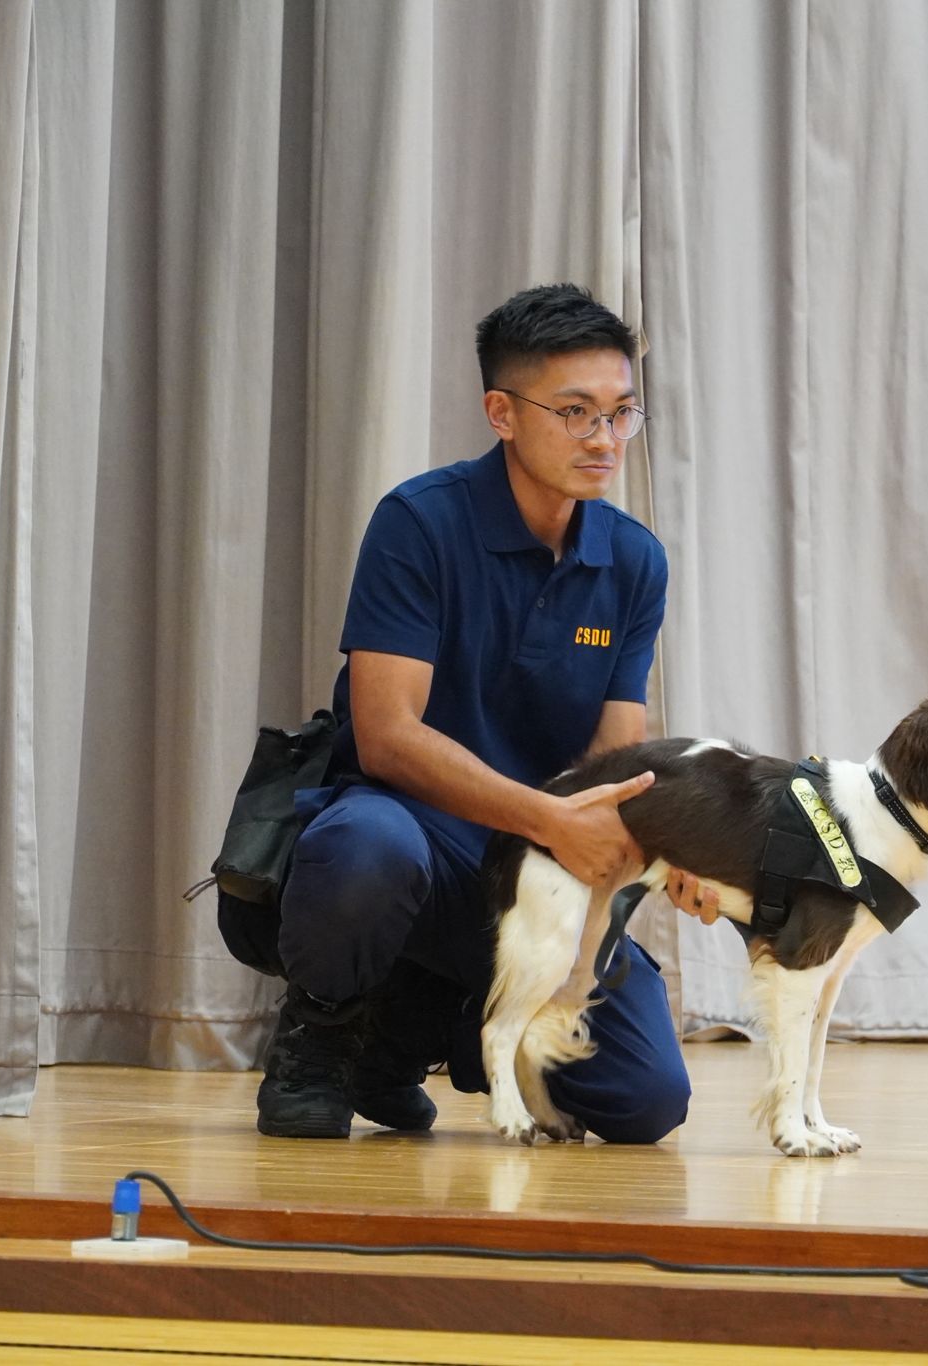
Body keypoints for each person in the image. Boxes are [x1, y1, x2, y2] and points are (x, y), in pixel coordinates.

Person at [260, 283, 712, 1143]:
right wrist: (548, 817)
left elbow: (617, 760)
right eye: (575, 412)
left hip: (536, 867)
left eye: (621, 413)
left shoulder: (634, 562)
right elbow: (387, 737)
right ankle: (323, 1040)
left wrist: (675, 844)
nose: (604, 439)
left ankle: (419, 1029)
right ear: (502, 413)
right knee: (363, 849)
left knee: (646, 1098)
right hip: (414, 831)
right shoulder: (418, 523)